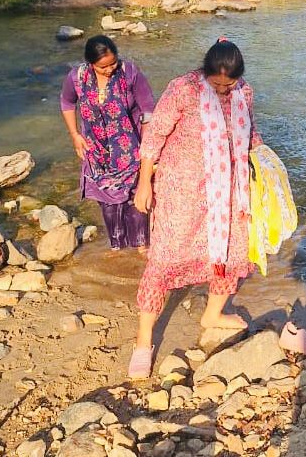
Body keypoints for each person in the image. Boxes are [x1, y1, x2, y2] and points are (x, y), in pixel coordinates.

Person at [128, 38, 263, 379]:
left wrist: (266, 171)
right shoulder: (183, 89)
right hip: (182, 189)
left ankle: (212, 314)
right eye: (216, 85)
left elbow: (251, 136)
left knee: (230, 253)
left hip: (228, 191)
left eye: (229, 85)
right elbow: (154, 137)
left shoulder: (244, 93)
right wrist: (144, 183)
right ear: (204, 72)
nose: (222, 91)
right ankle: (143, 342)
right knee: (163, 259)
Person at [60, 35, 155, 251]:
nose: (110, 69)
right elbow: (67, 102)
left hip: (130, 148)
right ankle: (117, 246)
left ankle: (141, 245)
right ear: (90, 63)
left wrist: (147, 145)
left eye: (113, 63)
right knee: (107, 201)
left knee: (133, 196)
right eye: (103, 67)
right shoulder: (77, 77)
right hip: (96, 151)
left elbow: (148, 109)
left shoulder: (129, 73)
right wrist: (75, 135)